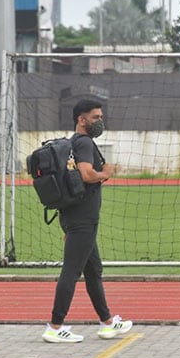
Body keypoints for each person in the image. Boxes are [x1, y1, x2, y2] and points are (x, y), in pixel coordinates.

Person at [41, 99, 133, 343]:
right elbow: (86, 174)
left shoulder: (73, 143)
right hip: (83, 220)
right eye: (95, 117)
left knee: (93, 271)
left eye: (100, 116)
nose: (99, 121)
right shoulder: (83, 143)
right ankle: (54, 326)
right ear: (81, 120)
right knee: (71, 272)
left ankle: (107, 323)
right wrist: (106, 173)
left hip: (76, 217)